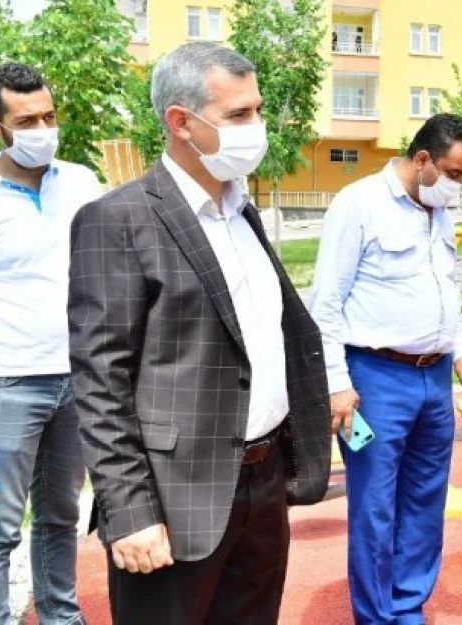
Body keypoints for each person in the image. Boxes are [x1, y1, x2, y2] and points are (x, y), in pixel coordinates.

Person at [67, 42, 332, 624]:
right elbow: (101, 382)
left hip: (262, 483)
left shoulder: (243, 212)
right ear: (181, 122)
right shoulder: (117, 219)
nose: (257, 128)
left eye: (258, 110)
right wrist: (129, 511)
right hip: (173, 496)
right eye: (239, 115)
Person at [308, 112, 462, 624]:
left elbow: (444, 287)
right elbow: (324, 303)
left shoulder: (438, 211)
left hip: (434, 378)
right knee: (375, 507)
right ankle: (375, 616)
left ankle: (407, 605)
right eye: (453, 174)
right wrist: (337, 385)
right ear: (421, 160)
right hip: (375, 379)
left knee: (425, 499)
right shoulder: (360, 204)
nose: (458, 186)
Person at [0, 62, 100, 625]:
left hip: (79, 379)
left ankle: (60, 617)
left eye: (49, 115)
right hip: (5, 383)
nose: (43, 128)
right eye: (27, 120)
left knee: (59, 516)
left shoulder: (81, 181)